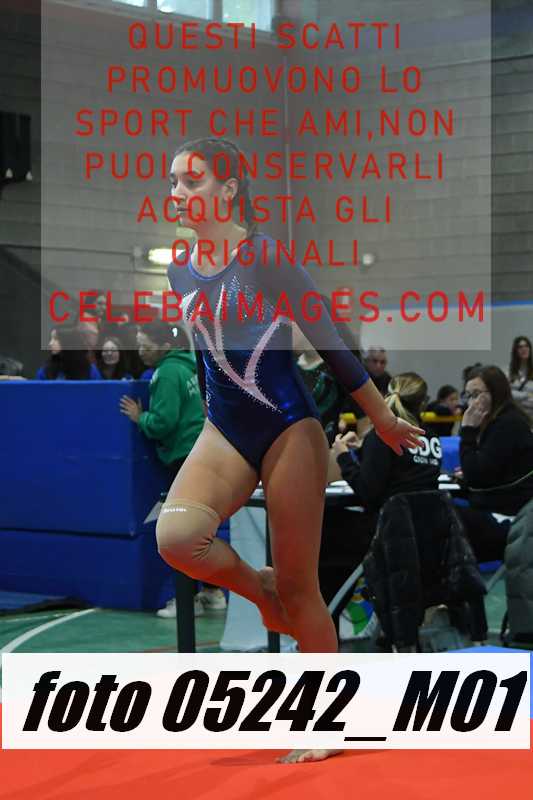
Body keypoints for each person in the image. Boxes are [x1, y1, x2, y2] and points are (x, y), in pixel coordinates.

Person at [155, 136, 423, 764]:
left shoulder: (265, 256)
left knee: (303, 589)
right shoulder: (179, 268)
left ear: (229, 189)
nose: (177, 193)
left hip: (287, 430)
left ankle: (324, 722)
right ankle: (260, 591)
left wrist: (382, 418)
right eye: (172, 182)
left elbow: (330, 341)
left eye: (192, 181)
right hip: (224, 430)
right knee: (177, 537)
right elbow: (206, 357)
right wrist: (208, 423)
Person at [320, 373, 442, 633]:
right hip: (426, 533)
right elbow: (402, 474)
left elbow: (368, 492)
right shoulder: (431, 437)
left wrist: (343, 457)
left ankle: (325, 627)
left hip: (387, 533)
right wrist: (364, 449)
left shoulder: (382, 437)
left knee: (325, 534)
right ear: (423, 404)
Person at [119, 321, 224, 616]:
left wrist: (140, 418)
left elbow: (164, 422)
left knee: (183, 532)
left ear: (165, 347)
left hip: (183, 459)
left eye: (146, 345)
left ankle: (187, 601)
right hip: (203, 454)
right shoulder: (190, 366)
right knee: (202, 528)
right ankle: (213, 593)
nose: (141, 351)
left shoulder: (165, 373)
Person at [456, 365, 533, 562]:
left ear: (496, 393)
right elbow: (487, 469)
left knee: (445, 513)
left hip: (512, 518)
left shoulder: (507, 424)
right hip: (501, 507)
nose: (471, 402)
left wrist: (467, 431)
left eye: (476, 394)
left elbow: (476, 476)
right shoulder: (500, 421)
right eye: (468, 395)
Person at [36, 327, 101, 380]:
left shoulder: (91, 371)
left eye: (56, 339)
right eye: (51, 339)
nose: (50, 343)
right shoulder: (45, 371)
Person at [507, 336, 533, 424]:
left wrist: (517, 397)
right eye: (520, 347)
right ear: (516, 351)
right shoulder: (509, 372)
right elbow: (508, 395)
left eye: (526, 346)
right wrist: (527, 395)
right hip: (515, 418)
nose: (524, 349)